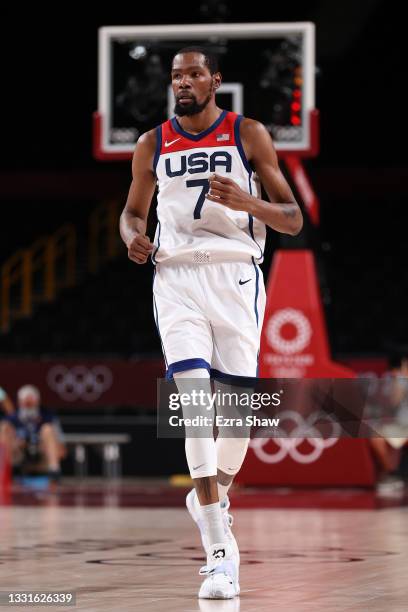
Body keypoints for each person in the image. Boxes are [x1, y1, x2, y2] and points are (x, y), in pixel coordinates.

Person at [120, 46, 302, 599]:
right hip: (175, 277)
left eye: (194, 73)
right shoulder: (152, 143)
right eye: (176, 75)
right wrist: (133, 238)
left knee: (236, 422)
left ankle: (209, 496)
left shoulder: (249, 135)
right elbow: (132, 211)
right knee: (194, 404)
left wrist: (250, 201)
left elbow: (292, 219)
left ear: (214, 81)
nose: (183, 82)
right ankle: (220, 553)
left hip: (235, 277)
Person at [0, 385, 65, 483]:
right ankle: (3, 472)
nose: (28, 405)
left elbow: (62, 451)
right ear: (19, 402)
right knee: (4, 427)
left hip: (42, 460)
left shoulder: (49, 417)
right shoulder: (12, 419)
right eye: (26, 403)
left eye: (31, 402)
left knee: (48, 429)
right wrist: (16, 444)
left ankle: (54, 473)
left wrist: (44, 446)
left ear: (38, 401)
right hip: (18, 458)